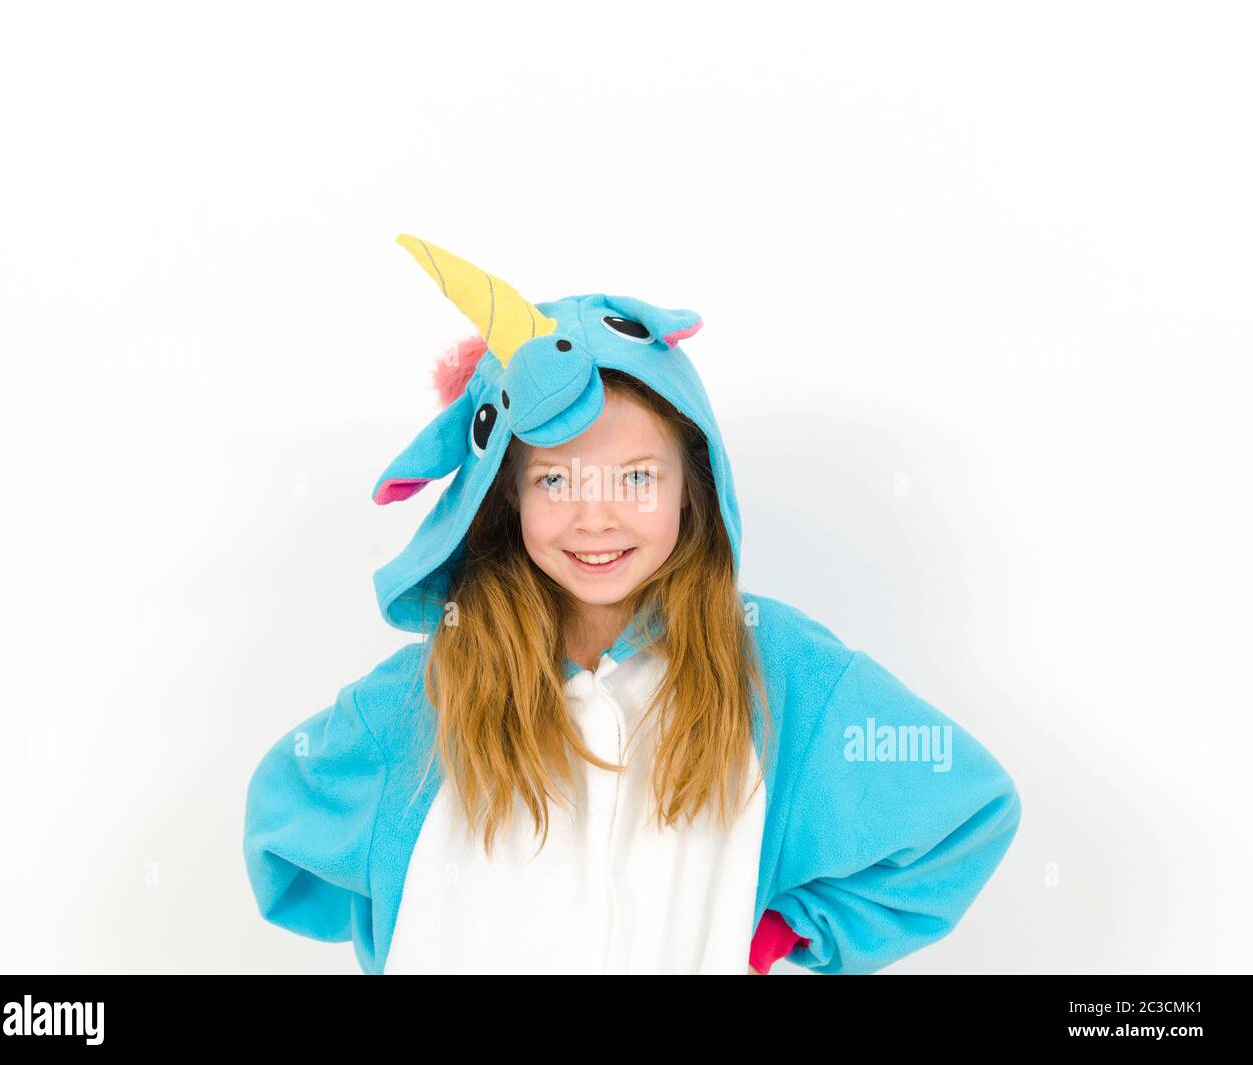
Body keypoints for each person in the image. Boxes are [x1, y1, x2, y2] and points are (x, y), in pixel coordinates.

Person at [242, 233, 1022, 975]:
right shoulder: (431, 690)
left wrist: (785, 936)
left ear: (695, 486)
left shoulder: (775, 671)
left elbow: (962, 810)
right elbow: (281, 828)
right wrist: (414, 921)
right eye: (556, 479)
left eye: (638, 477)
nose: (596, 517)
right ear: (506, 496)